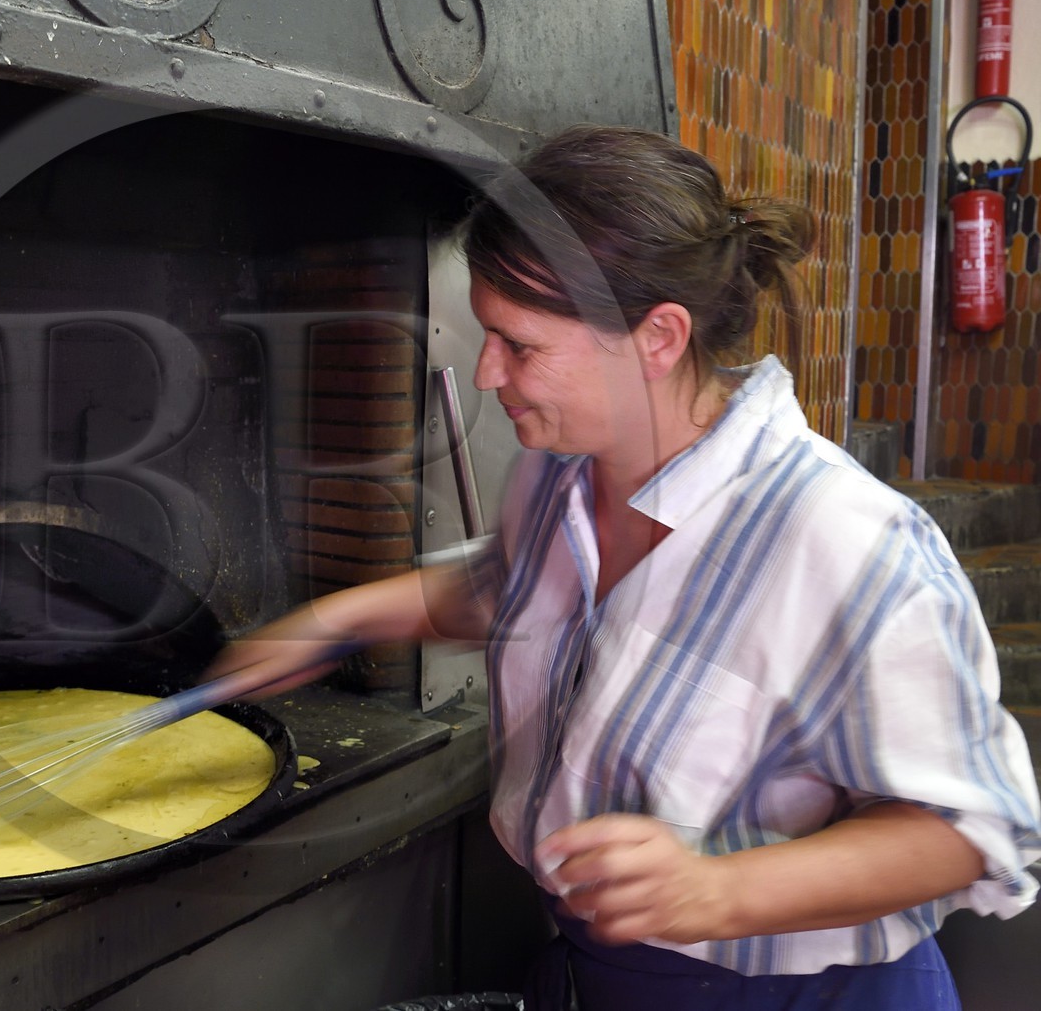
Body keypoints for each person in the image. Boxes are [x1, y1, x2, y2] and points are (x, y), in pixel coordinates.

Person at [209, 125, 1041, 1009]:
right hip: (598, 975)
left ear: (659, 337)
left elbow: (967, 828)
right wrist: (339, 619)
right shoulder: (564, 472)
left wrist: (715, 889)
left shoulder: (844, 542)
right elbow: (514, 593)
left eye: (519, 345)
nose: (487, 372)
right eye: (486, 334)